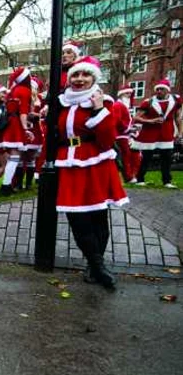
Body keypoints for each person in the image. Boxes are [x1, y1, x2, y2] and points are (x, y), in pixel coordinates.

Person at [55, 56, 128, 288]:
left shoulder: (106, 103)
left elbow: (107, 141)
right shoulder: (61, 102)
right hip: (69, 164)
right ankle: (97, 265)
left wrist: (98, 110)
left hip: (96, 164)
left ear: (94, 78)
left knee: (98, 219)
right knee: (77, 219)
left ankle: (95, 267)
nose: (79, 79)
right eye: (75, 74)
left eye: (85, 75)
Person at [132, 79, 182, 188]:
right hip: (150, 133)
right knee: (147, 157)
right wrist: (151, 121)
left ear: (167, 90)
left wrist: (180, 132)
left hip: (167, 132)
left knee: (167, 158)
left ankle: (167, 181)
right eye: (157, 89)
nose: (158, 91)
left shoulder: (176, 100)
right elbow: (136, 117)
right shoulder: (148, 102)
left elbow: (178, 117)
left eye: (161, 89)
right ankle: (140, 179)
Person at [0, 67, 35, 195]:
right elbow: (23, 112)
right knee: (15, 156)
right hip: (16, 125)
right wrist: (26, 128)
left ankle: (8, 185)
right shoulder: (24, 90)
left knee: (14, 156)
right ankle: (6, 186)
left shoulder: (12, 90)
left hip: (10, 124)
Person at [111, 84, 138, 184]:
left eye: (130, 94)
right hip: (120, 135)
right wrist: (128, 129)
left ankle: (128, 176)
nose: (129, 96)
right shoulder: (118, 105)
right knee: (124, 156)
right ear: (121, 94)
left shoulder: (123, 106)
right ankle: (128, 176)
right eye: (127, 93)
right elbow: (117, 121)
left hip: (123, 135)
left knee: (125, 156)